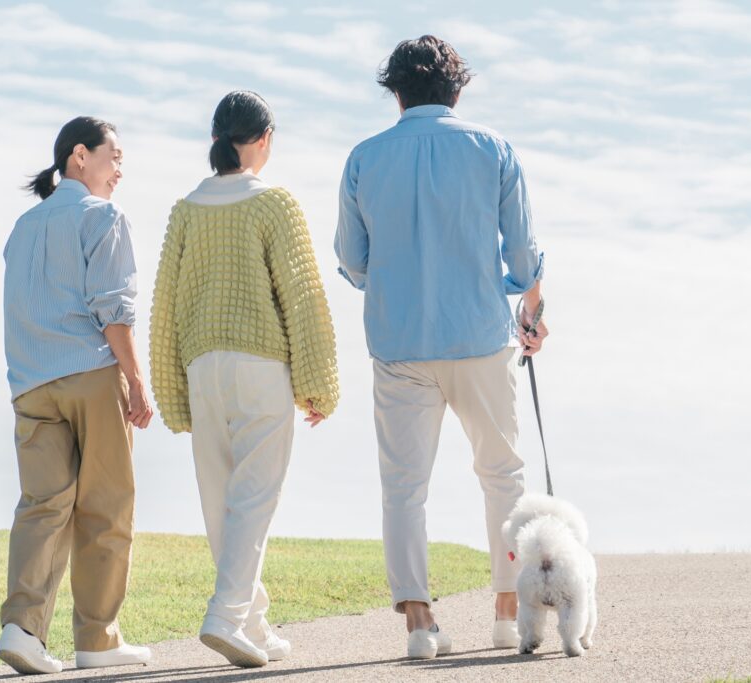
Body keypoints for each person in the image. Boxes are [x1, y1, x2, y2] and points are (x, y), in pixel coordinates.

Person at [335, 35, 548, 659]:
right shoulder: (494, 149)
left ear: (395, 93)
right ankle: (508, 616)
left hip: (399, 344)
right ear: (458, 89)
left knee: (403, 487)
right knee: (503, 477)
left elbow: (352, 259)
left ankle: (419, 627)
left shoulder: (363, 158)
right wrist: (531, 311)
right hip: (480, 338)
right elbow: (524, 254)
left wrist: (396, 281)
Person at [150, 90, 340, 668]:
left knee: (221, 503)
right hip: (260, 367)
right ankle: (227, 615)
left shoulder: (185, 209)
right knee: (253, 501)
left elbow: (165, 306)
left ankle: (252, 625)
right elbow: (303, 297)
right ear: (262, 139)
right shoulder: (274, 203)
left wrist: (170, 391)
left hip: (202, 368)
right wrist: (321, 382)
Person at [0, 116, 153, 675]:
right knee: (106, 507)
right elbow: (115, 310)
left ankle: (22, 629)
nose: (120, 170)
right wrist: (136, 381)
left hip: (31, 383)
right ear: (79, 157)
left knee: (42, 507)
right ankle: (97, 639)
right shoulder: (103, 216)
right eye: (115, 157)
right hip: (90, 373)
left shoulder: (22, 226)